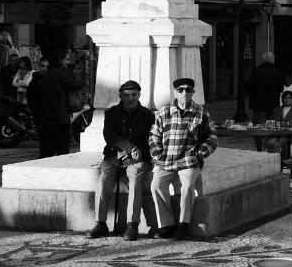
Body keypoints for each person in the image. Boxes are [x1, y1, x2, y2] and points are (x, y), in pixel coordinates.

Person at [149, 77, 217, 240]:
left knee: (187, 188)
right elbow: (153, 136)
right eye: (180, 90)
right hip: (166, 160)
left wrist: (199, 154)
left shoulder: (201, 112)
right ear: (175, 92)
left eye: (188, 90)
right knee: (156, 185)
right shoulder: (164, 112)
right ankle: (165, 225)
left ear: (193, 92)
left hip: (189, 161)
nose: (184, 93)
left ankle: (183, 224)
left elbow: (212, 138)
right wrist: (157, 156)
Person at [89, 80, 157, 242]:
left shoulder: (148, 116)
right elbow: (110, 136)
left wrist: (135, 152)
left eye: (134, 94)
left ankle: (132, 224)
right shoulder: (111, 113)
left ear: (139, 95)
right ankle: (100, 223)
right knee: (104, 178)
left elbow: (152, 140)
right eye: (127, 95)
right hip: (115, 155)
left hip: (138, 158)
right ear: (120, 96)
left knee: (134, 180)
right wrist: (125, 149)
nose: (131, 98)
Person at [34, 52, 84, 158]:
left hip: (48, 118)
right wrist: (82, 83)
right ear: (60, 60)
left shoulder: (45, 76)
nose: (68, 62)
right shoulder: (58, 73)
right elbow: (73, 84)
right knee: (61, 151)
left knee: (47, 151)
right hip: (58, 117)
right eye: (66, 59)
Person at [245, 51, 287, 126]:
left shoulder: (256, 72)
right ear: (273, 60)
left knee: (258, 128)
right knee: (272, 128)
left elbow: (248, 87)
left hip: (258, 105)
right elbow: (281, 89)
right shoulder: (278, 73)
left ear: (262, 61)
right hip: (273, 104)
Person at [263, 89, 292, 159]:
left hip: (291, 135)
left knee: (278, 144)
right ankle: (270, 161)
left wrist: (291, 127)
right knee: (269, 142)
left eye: (289, 98)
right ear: (282, 99)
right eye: (285, 98)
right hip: (277, 134)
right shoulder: (277, 110)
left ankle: (282, 163)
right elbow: (270, 122)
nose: (287, 100)